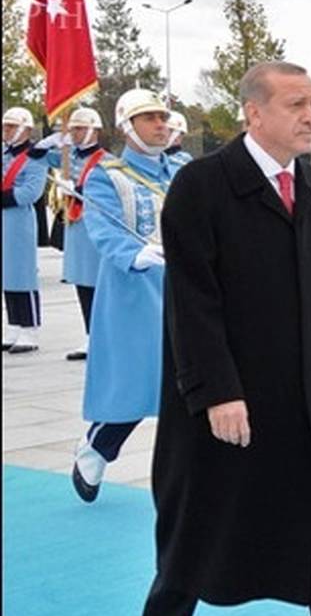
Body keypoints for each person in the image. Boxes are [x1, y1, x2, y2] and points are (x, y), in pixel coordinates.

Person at [135, 62, 311, 616]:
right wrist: (217, 391)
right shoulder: (203, 186)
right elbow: (192, 301)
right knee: (200, 527)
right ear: (253, 112)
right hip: (229, 402)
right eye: (296, 104)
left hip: (309, 404)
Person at [70, 90, 180, 502]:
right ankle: (97, 447)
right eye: (148, 118)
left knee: (193, 379)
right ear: (126, 127)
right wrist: (134, 254)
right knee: (138, 381)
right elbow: (103, 228)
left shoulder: (183, 171)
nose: (160, 124)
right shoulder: (106, 175)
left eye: (162, 117)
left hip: (187, 286)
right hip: (135, 288)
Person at [44, 107, 107, 360]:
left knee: (97, 284)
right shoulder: (66, 157)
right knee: (82, 282)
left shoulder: (105, 161)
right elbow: (34, 157)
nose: (75, 134)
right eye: (72, 129)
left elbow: (105, 194)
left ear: (94, 130)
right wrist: (48, 142)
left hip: (95, 227)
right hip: (76, 227)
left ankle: (100, 335)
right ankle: (89, 335)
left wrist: (78, 189)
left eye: (80, 129)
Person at [2, 106, 50, 354]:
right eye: (5, 126)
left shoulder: (35, 156)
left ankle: (30, 327)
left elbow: (31, 192)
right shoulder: (4, 153)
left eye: (11, 126)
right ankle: (14, 324)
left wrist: (5, 197)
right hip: (4, 217)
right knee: (6, 273)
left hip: (19, 218)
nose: (6, 131)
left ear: (25, 129)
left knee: (22, 272)